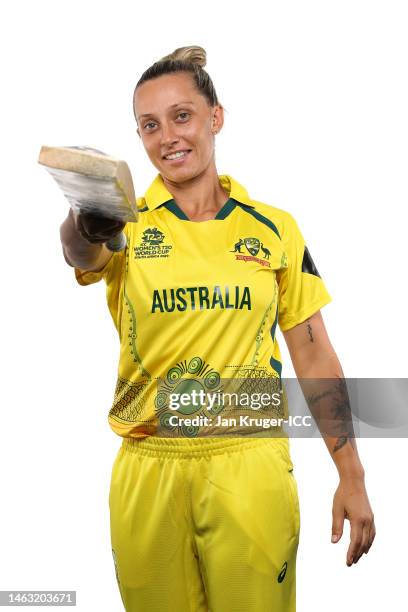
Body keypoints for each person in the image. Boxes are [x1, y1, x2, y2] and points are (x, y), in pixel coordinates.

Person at [60, 45, 376, 612]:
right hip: (147, 464)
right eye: (149, 125)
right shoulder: (127, 225)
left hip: (247, 464)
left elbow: (314, 355)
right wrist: (86, 216)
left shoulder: (274, 228)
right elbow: (80, 253)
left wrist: (351, 475)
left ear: (215, 117)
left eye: (182, 116)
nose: (168, 138)